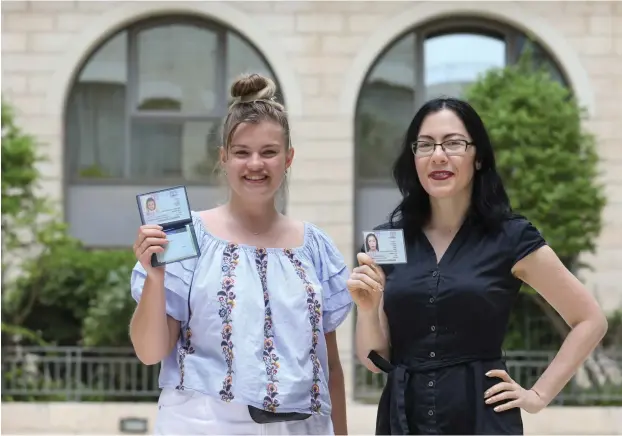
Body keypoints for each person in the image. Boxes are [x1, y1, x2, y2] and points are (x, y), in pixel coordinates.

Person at [347, 97, 608, 435]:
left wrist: (537, 395)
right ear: (413, 159)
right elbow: (374, 359)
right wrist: (367, 310)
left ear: (479, 157)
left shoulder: (511, 237)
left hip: (483, 420)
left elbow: (590, 320)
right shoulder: (388, 241)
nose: (438, 155)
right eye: (425, 145)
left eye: (454, 143)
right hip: (404, 420)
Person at [129, 73, 352, 435]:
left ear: (288, 157)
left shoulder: (315, 247)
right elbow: (150, 352)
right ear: (224, 158)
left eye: (268, 152)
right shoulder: (188, 239)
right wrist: (155, 275)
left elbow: (329, 367)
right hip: (203, 424)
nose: (255, 164)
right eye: (242, 152)